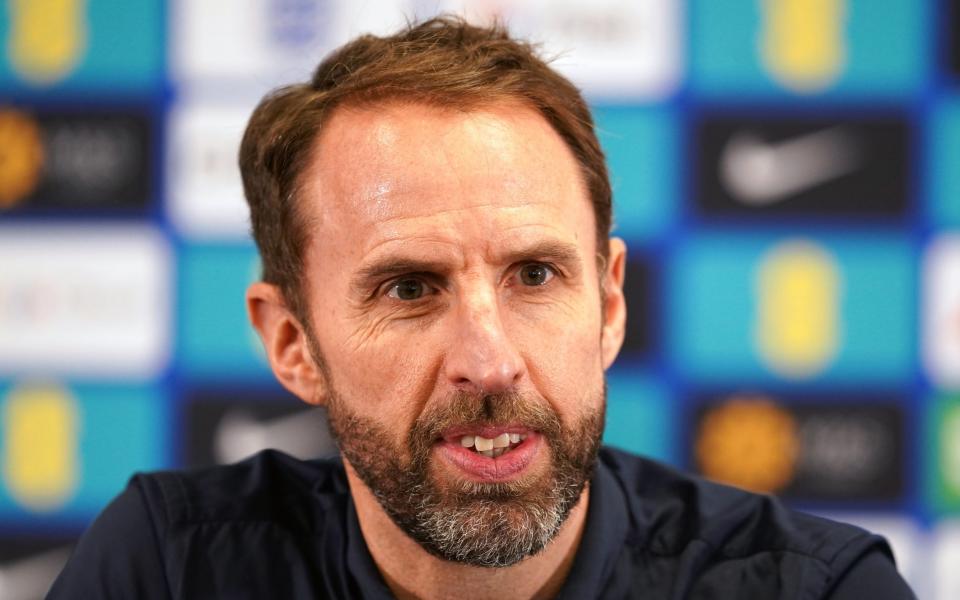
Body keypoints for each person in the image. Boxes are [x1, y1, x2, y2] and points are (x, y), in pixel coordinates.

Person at [49, 16, 915, 599]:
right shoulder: (168, 569)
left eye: (535, 275)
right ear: (292, 342)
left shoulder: (812, 590)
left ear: (610, 303)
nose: (490, 360)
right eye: (409, 288)